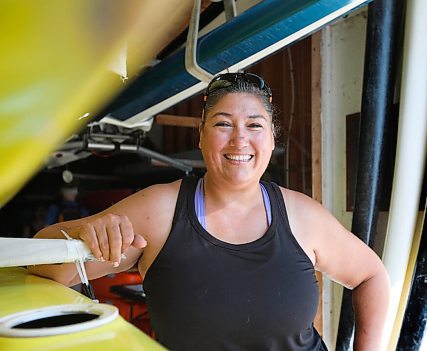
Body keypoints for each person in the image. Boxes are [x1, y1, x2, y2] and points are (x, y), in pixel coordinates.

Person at [29, 72, 389, 350]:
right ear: (200, 136)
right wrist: (84, 238)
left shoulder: (301, 215)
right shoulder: (160, 210)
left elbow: (372, 276)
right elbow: (39, 263)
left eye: (254, 125)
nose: (239, 139)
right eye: (222, 124)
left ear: (272, 140)